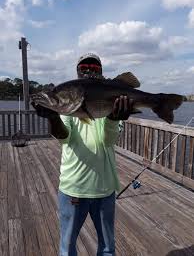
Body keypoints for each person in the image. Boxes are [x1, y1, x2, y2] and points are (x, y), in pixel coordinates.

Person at [32, 53, 137, 256]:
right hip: (74, 189)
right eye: (84, 66)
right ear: (77, 73)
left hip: (105, 190)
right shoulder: (69, 102)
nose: (88, 69)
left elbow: (108, 142)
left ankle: (159, 101)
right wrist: (53, 117)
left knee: (107, 248)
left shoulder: (114, 102)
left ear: (101, 71)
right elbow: (64, 137)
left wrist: (113, 119)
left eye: (94, 66)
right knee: (67, 247)